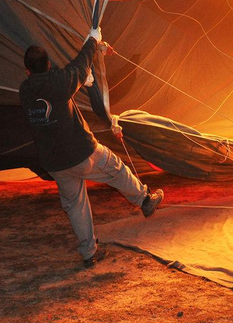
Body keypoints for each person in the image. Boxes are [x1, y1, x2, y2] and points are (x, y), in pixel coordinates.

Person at [20, 27, 164, 268]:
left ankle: (89, 253)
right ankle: (144, 200)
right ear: (48, 65)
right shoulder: (59, 83)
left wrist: (90, 63)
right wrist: (93, 41)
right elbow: (78, 64)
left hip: (55, 163)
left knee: (75, 205)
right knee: (116, 169)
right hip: (81, 152)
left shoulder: (25, 91)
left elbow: (61, 75)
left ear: (27, 71)